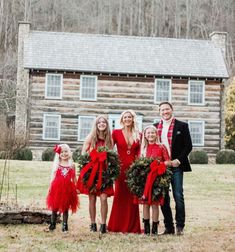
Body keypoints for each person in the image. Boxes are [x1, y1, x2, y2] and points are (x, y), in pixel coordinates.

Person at [154, 101, 192, 235]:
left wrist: (178, 160)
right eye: (162, 110)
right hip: (161, 168)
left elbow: (188, 146)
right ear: (159, 112)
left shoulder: (182, 125)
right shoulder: (154, 127)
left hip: (176, 166)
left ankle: (180, 227)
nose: (165, 112)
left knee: (178, 195)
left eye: (167, 109)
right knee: (163, 197)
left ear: (171, 110)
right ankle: (168, 227)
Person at [77, 115, 113, 234]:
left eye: (104, 122)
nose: (102, 124)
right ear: (96, 125)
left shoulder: (109, 140)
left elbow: (111, 156)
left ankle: (103, 224)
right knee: (92, 198)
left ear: (107, 125)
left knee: (103, 198)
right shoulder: (91, 137)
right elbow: (83, 154)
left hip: (104, 173)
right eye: (99, 122)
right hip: (92, 172)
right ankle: (92, 224)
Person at [108, 109, 141, 233]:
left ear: (133, 119)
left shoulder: (139, 134)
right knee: (120, 196)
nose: (127, 119)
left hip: (134, 169)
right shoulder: (116, 133)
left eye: (129, 117)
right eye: (125, 117)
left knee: (132, 197)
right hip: (120, 169)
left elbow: (141, 152)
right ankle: (116, 225)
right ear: (122, 119)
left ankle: (133, 226)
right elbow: (110, 149)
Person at [140, 125, 171, 235]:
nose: (150, 135)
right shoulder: (143, 148)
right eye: (148, 133)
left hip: (157, 178)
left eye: (152, 133)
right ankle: (146, 229)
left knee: (155, 203)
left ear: (156, 134)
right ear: (145, 135)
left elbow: (168, 161)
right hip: (145, 179)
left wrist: (159, 165)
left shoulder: (161, 147)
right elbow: (140, 163)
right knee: (145, 204)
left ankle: (154, 229)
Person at [46, 144, 79, 232]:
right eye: (61, 152)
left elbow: (74, 177)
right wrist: (50, 187)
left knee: (65, 207)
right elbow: (52, 176)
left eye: (66, 151)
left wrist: (77, 187)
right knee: (54, 207)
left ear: (69, 152)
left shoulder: (71, 165)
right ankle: (52, 224)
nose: (64, 154)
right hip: (57, 188)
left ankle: (65, 226)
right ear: (58, 154)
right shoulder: (57, 164)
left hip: (68, 189)